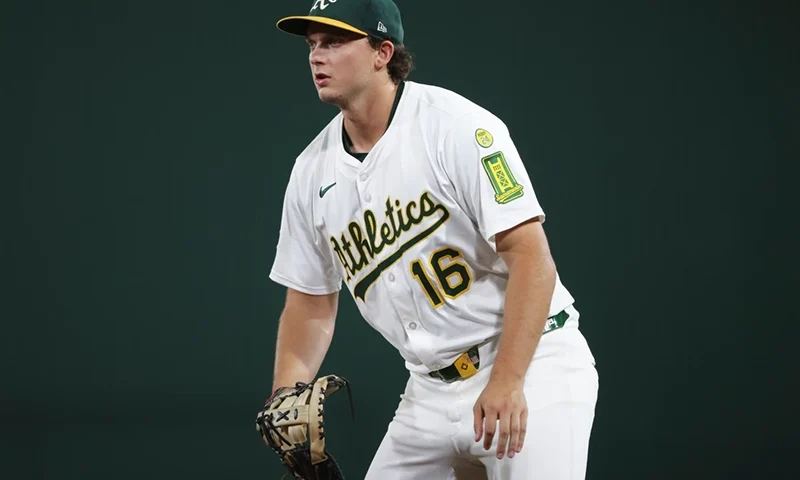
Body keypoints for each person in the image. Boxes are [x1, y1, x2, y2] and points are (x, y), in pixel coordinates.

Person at [267, 0, 599, 478]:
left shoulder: (455, 127)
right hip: (427, 389)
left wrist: (508, 380)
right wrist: (286, 394)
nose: (317, 56)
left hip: (530, 362)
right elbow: (310, 301)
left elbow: (531, 256)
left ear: (383, 52)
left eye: (335, 42)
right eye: (313, 45)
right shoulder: (310, 172)